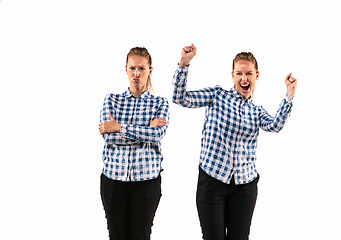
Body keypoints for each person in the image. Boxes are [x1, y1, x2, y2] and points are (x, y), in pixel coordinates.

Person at [172, 44, 297, 240]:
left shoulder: (257, 111)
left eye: (249, 73)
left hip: (244, 186)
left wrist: (289, 94)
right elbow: (180, 98)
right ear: (233, 75)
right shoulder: (217, 95)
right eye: (239, 73)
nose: (244, 78)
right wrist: (184, 64)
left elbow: (275, 125)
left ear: (257, 76)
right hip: (212, 182)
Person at [98, 47, 169, 240]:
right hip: (113, 180)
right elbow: (108, 136)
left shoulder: (160, 103)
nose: (136, 73)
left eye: (142, 68)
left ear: (150, 70)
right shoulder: (111, 100)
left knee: (140, 235)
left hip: (146, 182)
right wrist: (145, 129)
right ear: (126, 69)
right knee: (117, 235)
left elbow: (157, 134)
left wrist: (119, 127)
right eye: (132, 68)